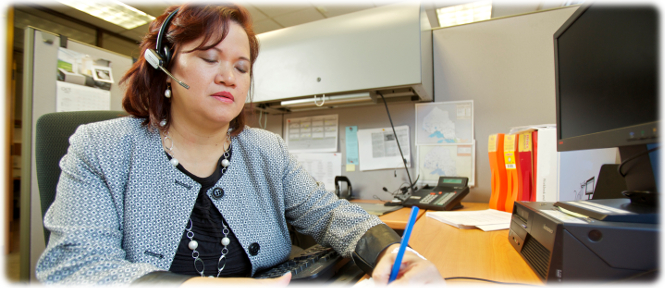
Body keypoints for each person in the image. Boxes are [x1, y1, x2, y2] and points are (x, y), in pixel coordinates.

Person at [35, 3, 444, 286]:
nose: (229, 76)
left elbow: (329, 214)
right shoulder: (102, 148)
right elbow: (73, 267)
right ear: (163, 69)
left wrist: (387, 251)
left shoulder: (266, 149)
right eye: (210, 59)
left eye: (242, 66)